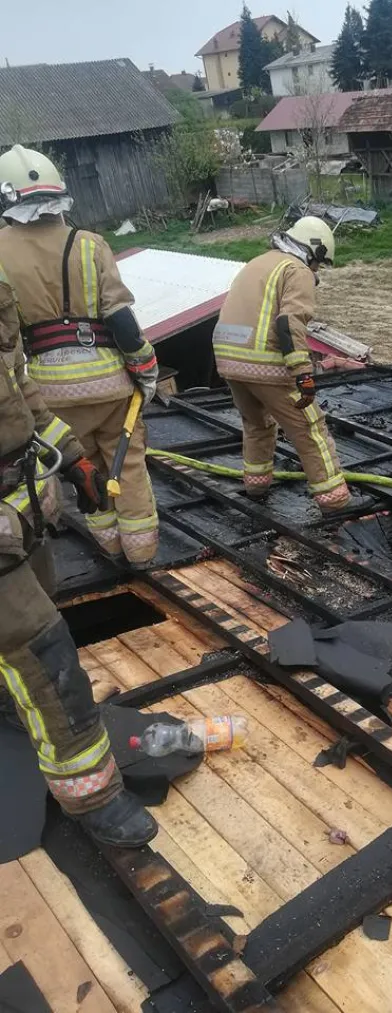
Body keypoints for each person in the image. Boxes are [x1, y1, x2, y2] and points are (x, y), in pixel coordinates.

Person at [0, 267, 157, 847]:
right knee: (44, 651)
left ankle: (9, 706)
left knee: (29, 633)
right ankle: (93, 795)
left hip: (21, 516)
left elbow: (23, 394)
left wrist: (72, 457)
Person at [0, 145, 159, 567]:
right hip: (109, 383)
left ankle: (108, 546)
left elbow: (7, 343)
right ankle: (141, 553)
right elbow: (121, 320)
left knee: (83, 467)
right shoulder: (89, 244)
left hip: (48, 390)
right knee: (128, 464)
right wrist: (145, 367)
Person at [213, 216, 354, 513]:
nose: (316, 270)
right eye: (319, 263)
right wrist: (303, 376)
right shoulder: (296, 270)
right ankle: (335, 501)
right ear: (313, 250)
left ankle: (256, 485)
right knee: (309, 428)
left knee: (257, 424)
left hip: (228, 361)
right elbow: (289, 324)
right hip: (265, 365)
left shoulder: (258, 262)